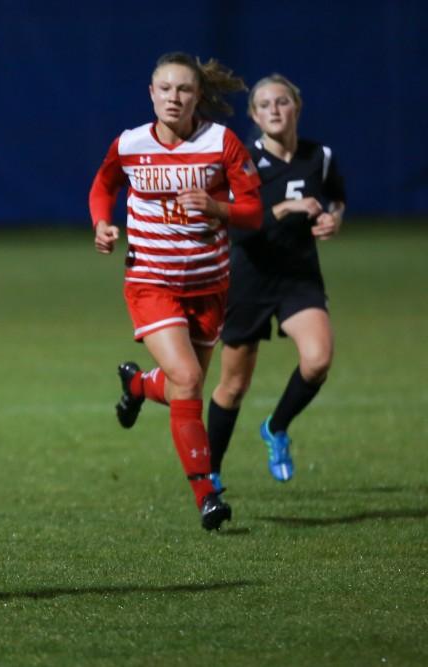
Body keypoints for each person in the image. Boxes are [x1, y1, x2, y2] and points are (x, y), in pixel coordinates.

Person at [88, 52, 263, 531]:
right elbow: (103, 185)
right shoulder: (131, 143)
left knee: (186, 385)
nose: (173, 97)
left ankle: (138, 384)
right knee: (187, 379)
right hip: (151, 280)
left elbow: (253, 210)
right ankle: (207, 495)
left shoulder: (220, 143)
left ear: (198, 95)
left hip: (209, 284)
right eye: (164, 88)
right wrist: (102, 223)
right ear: (151, 93)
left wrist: (217, 207)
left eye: (184, 89)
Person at [207, 74, 346, 485]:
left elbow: (336, 196)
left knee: (318, 359)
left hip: (297, 276)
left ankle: (276, 427)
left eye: (282, 102)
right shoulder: (242, 162)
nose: (274, 110)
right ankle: (210, 475)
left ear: (296, 108)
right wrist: (285, 210)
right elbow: (235, 228)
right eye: (264, 104)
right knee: (233, 386)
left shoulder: (319, 156)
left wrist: (333, 219)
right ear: (254, 114)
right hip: (248, 277)